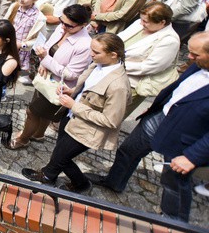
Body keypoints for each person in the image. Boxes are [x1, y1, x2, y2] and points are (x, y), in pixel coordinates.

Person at [85, 31, 209, 222]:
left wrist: (192, 157)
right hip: (161, 117)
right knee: (128, 150)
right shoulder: (199, 64)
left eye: (195, 54)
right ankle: (114, 182)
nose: (189, 57)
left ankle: (174, 221)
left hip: (185, 135)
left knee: (174, 180)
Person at [23, 33, 131, 193]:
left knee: (62, 156)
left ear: (113, 55)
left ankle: (70, 181)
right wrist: (72, 90)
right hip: (71, 117)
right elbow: (89, 88)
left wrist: (74, 105)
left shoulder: (119, 86)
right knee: (60, 152)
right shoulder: (98, 64)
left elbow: (111, 120)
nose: (91, 54)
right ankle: (53, 176)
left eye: (96, 52)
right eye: (91, 50)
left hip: (86, 128)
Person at [9, 4, 94, 149]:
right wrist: (43, 61)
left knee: (32, 112)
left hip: (58, 86)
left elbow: (72, 73)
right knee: (44, 113)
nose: (64, 27)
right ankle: (38, 134)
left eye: (69, 26)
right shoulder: (63, 28)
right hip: (45, 78)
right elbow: (48, 47)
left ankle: (23, 139)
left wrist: (46, 61)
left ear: (83, 25)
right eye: (62, 21)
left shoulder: (85, 45)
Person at [118, 2, 180, 116]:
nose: (141, 23)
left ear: (162, 23)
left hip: (132, 84)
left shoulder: (170, 40)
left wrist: (116, 64)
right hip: (113, 73)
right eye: (141, 19)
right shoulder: (139, 23)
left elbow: (149, 67)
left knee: (114, 115)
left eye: (146, 22)